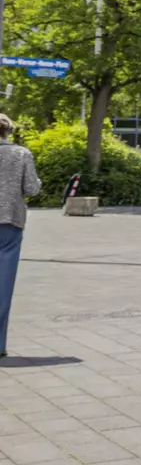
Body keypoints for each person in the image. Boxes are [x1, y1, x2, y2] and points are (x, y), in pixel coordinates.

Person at [0, 116, 41, 359]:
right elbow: (32, 188)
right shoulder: (21, 154)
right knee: (3, 286)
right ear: (9, 131)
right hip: (9, 222)